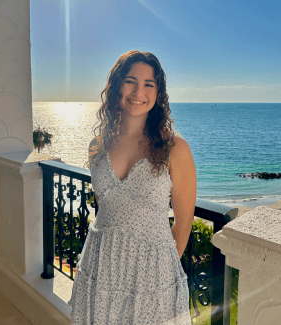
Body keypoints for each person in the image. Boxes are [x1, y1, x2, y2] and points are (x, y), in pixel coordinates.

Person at [68, 50, 197, 324]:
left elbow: (184, 223)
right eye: (130, 81)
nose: (139, 91)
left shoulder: (175, 149)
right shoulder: (97, 146)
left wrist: (161, 273)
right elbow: (107, 208)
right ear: (116, 87)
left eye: (149, 84)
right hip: (100, 268)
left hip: (154, 277)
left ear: (158, 93)